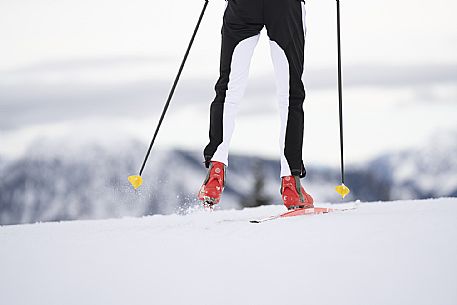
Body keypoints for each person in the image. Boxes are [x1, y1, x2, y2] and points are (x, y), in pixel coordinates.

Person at [198, 0, 314, 210]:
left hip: (243, 5)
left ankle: (215, 172)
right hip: (285, 7)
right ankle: (291, 185)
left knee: (228, 89)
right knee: (290, 94)